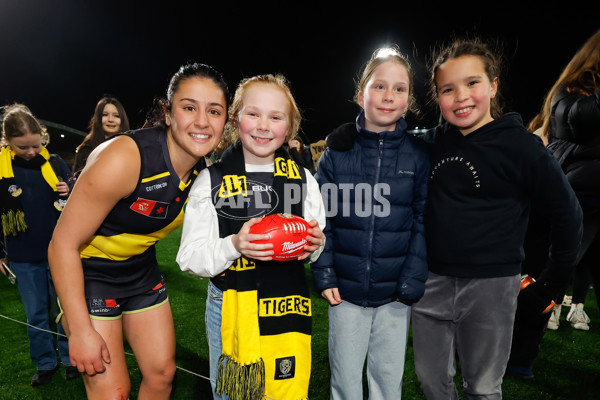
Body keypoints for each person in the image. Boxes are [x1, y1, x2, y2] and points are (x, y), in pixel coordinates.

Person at [410, 37, 583, 399]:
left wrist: (552, 284)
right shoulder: (430, 142)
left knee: (483, 388)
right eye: (447, 89)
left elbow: (568, 214)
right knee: (430, 383)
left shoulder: (522, 147)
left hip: (492, 288)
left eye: (472, 83)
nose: (461, 97)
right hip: (432, 283)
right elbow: (385, 139)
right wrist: (353, 132)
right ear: (436, 97)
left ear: (493, 85)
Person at [47, 63, 229, 399]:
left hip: (141, 271)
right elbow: (62, 245)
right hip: (90, 274)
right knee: (113, 392)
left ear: (225, 121)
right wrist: (80, 330)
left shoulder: (207, 173)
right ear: (168, 112)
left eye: (214, 111)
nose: (202, 121)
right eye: (189, 107)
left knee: (162, 376)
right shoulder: (125, 159)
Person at [176, 74, 326, 400]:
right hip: (230, 303)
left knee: (280, 391)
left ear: (289, 127)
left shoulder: (302, 179)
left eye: (275, 117)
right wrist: (234, 245)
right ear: (236, 119)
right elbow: (189, 256)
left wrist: (315, 245)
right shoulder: (211, 180)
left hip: (287, 304)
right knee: (233, 394)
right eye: (253, 113)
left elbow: (316, 239)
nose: (263, 125)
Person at [311, 46, 430, 400]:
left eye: (399, 88)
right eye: (379, 86)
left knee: (387, 381)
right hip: (345, 293)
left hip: (396, 294)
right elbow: (322, 219)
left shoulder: (419, 155)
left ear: (409, 98)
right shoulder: (336, 152)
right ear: (360, 92)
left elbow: (423, 221)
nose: (388, 96)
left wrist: (412, 276)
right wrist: (326, 272)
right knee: (345, 381)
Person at [0, 103, 78, 386]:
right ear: (8, 142)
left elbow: (76, 205)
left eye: (35, 145)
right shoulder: (1, 171)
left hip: (60, 252)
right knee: (36, 314)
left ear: (41, 137)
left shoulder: (55, 162)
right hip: (23, 255)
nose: (31, 152)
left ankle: (72, 359)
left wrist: (69, 190)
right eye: (23, 147)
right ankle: (45, 363)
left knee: (66, 309)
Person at [535, 29, 600, 332]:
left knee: (578, 258)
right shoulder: (570, 89)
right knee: (564, 258)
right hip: (579, 191)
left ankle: (572, 307)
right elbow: (581, 117)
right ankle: (549, 307)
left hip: (583, 192)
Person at [71, 96, 130, 175]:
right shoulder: (86, 149)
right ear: (98, 118)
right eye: (105, 115)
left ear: (122, 120)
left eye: (116, 116)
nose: (110, 120)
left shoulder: (131, 147)